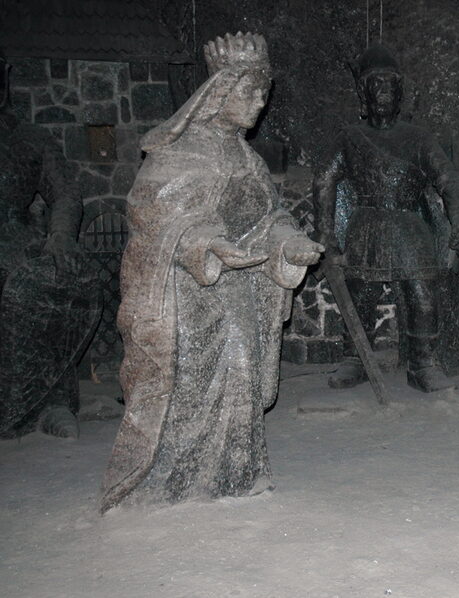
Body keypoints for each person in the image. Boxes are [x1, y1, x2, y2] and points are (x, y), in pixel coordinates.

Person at [100, 33, 323, 512]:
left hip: (239, 292)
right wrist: (206, 244)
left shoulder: (250, 160)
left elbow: (270, 218)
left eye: (264, 93)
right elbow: (149, 216)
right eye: (250, 91)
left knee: (241, 372)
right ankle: (166, 482)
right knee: (193, 386)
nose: (259, 103)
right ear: (220, 91)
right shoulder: (179, 153)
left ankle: (235, 476)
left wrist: (290, 242)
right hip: (183, 298)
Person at [315, 44, 459, 393]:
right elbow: (325, 180)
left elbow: (450, 184)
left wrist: (458, 234)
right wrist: (326, 235)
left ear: (400, 92)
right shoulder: (351, 138)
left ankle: (423, 364)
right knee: (359, 295)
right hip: (365, 225)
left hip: (409, 227)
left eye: (389, 83)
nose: (383, 89)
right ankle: (355, 359)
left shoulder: (418, 139)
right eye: (375, 82)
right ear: (363, 92)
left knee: (422, 296)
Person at [0, 49, 99, 440]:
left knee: (66, 280)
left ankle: (49, 401)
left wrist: (59, 234)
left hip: (19, 237)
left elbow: (65, 192)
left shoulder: (31, 139)